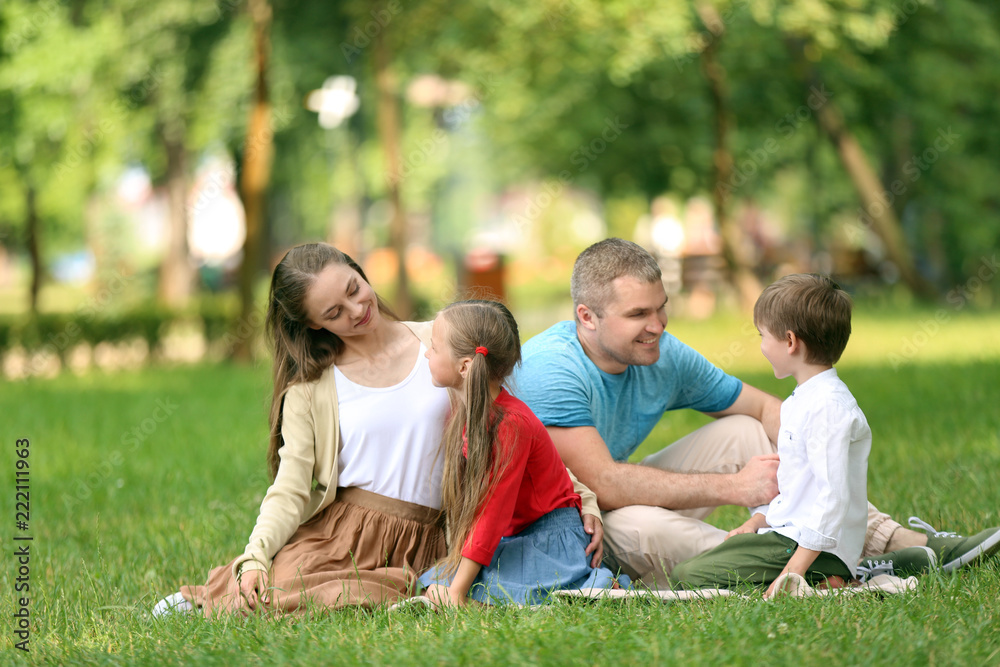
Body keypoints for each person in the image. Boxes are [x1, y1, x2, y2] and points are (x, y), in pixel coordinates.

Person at [511, 238, 1000, 587]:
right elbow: (606, 487)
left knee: (745, 429)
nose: (657, 326)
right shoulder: (551, 370)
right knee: (641, 525)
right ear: (587, 317)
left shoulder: (659, 352)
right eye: (638, 315)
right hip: (575, 527)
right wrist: (735, 489)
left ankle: (893, 541)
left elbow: (768, 408)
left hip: (611, 501)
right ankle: (792, 566)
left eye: (661, 308)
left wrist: (811, 462)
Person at [152, 243, 603, 616]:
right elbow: (290, 488)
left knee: (358, 597)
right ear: (313, 324)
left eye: (354, 288)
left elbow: (513, 430)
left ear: (360, 272)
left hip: (429, 535)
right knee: (280, 589)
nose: (356, 309)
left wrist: (580, 497)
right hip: (345, 531)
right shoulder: (310, 389)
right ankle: (211, 594)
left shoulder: (446, 342)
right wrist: (256, 554)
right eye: (333, 310)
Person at [671, 274, 933, 593]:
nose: (761, 346)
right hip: (787, 537)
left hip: (816, 551)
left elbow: (832, 499)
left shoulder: (828, 409)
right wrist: (757, 521)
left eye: (763, 336)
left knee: (689, 576)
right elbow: (799, 491)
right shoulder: (803, 399)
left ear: (791, 342)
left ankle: (833, 580)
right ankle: (830, 580)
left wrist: (792, 570)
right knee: (697, 567)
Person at [417, 300, 626, 606]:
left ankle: (590, 583)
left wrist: (457, 593)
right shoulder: (473, 414)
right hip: (514, 536)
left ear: (464, 366)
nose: (426, 354)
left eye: (433, 348)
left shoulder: (511, 424)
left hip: (550, 539)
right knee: (432, 583)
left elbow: (492, 511)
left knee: (460, 591)